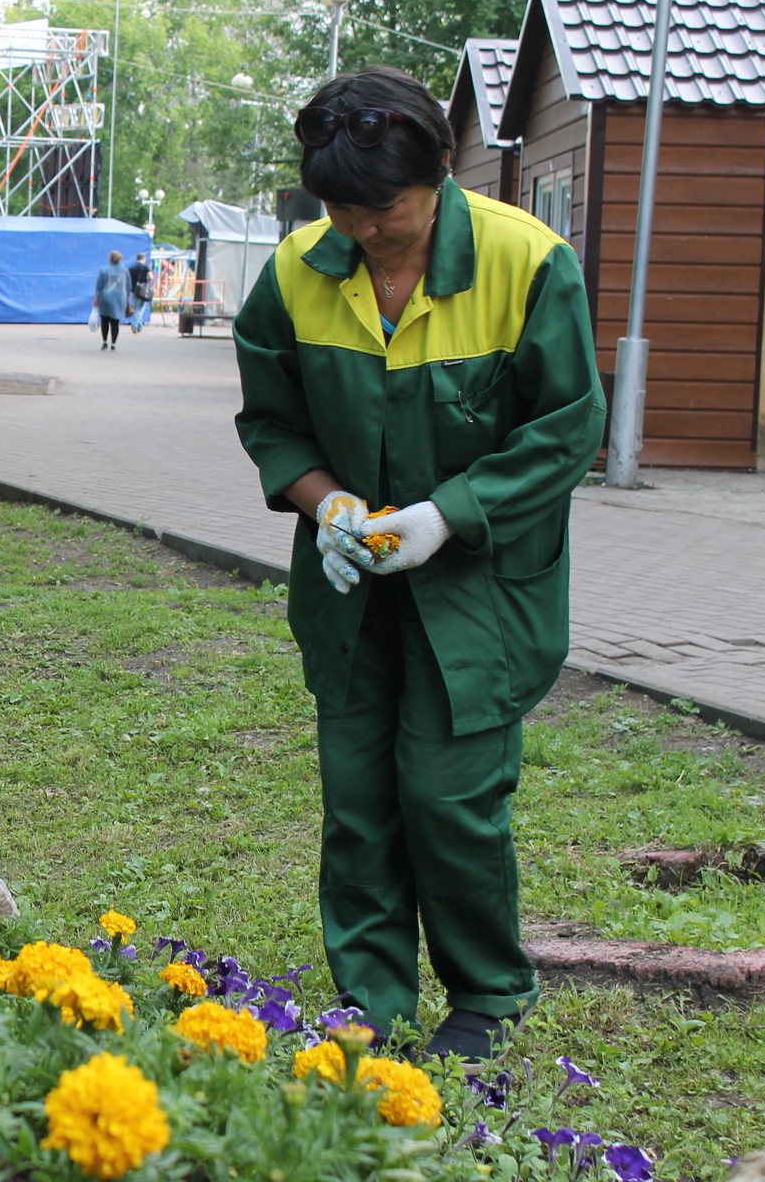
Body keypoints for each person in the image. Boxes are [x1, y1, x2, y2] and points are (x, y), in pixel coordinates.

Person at [232, 65, 606, 1062]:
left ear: (441, 171)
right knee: (357, 801)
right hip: (352, 591)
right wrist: (330, 508)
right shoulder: (296, 273)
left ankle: (487, 994)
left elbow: (569, 429)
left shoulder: (529, 265)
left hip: (480, 592)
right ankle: (371, 1003)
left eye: (383, 211)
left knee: (447, 799)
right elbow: (271, 424)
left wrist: (449, 515)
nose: (362, 234)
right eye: (341, 211)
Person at [93, 250, 130, 350]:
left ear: (110, 258)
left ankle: (104, 341)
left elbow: (99, 286)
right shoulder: (125, 270)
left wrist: (96, 298)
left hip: (106, 297)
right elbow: (128, 286)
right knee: (115, 321)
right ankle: (113, 343)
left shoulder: (104, 270)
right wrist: (127, 299)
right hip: (119, 297)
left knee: (104, 320)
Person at [127, 253, 152, 333]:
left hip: (133, 291)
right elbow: (150, 277)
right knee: (139, 309)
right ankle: (134, 325)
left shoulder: (131, 268)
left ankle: (139, 326)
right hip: (142, 290)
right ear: (143, 258)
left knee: (137, 307)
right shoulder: (145, 268)